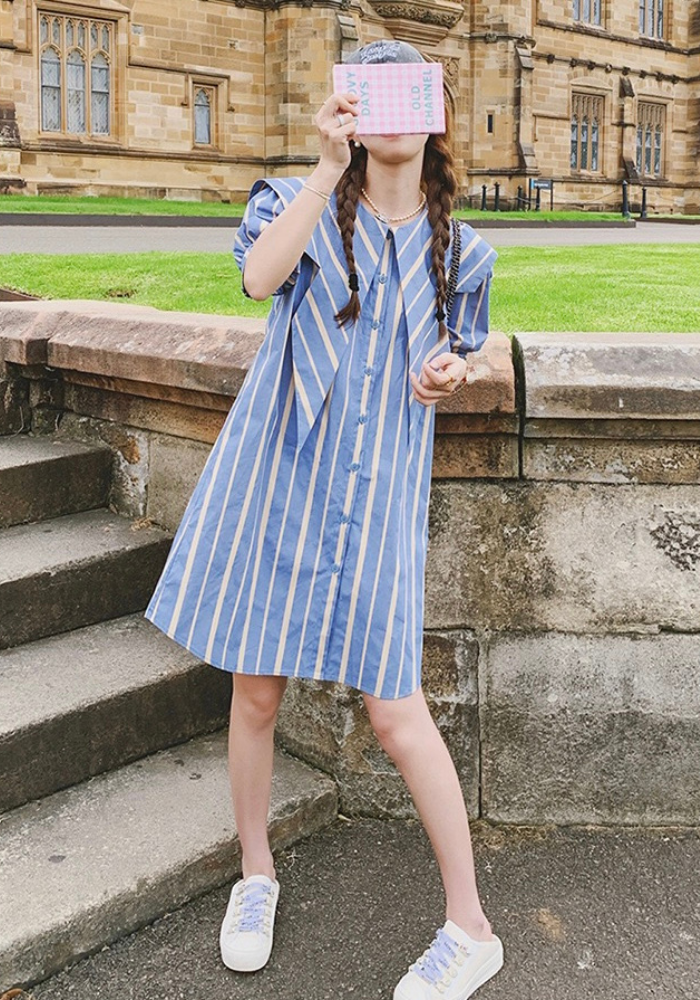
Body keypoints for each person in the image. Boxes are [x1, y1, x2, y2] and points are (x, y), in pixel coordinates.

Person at [144, 38, 502, 1000]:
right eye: (365, 90)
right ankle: (255, 873)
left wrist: (449, 370)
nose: (385, 109)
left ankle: (470, 928)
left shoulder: (461, 253)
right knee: (256, 692)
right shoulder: (295, 203)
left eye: (405, 91)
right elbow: (259, 279)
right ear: (345, 106)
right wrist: (324, 168)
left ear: (432, 113)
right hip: (282, 479)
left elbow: (460, 350)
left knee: (397, 712)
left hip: (381, 490)